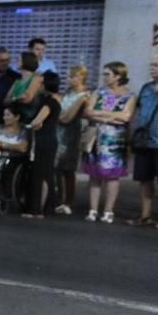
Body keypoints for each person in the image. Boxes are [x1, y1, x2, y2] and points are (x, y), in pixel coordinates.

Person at [82, 62, 137, 224]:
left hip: (116, 140)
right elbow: (88, 112)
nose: (104, 77)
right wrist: (112, 116)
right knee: (94, 175)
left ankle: (108, 211)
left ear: (118, 76)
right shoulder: (98, 92)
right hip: (96, 138)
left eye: (108, 74)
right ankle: (92, 209)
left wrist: (100, 115)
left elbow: (126, 117)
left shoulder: (130, 95)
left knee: (113, 176)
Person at [127, 56, 158, 227]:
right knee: (144, 180)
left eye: (156, 65)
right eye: (152, 65)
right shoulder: (146, 88)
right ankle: (145, 215)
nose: (152, 68)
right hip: (144, 140)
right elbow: (138, 110)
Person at [22, 72, 61, 218]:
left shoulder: (49, 102)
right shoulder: (54, 101)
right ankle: (44, 208)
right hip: (49, 139)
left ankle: (37, 208)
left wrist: (31, 124)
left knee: (40, 174)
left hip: (44, 140)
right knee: (46, 174)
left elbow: (37, 121)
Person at [53, 66, 91, 215]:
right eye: (69, 76)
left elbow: (66, 117)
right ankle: (58, 199)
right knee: (57, 168)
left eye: (73, 77)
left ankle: (68, 201)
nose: (69, 79)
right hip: (59, 132)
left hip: (72, 134)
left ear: (81, 77)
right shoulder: (67, 93)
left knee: (68, 169)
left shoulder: (85, 96)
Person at [4, 51, 44, 124]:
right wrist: (17, 98)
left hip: (29, 119)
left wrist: (14, 98)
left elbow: (27, 99)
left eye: (18, 59)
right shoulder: (17, 81)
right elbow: (6, 101)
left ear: (26, 61)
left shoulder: (36, 78)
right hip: (15, 120)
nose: (16, 61)